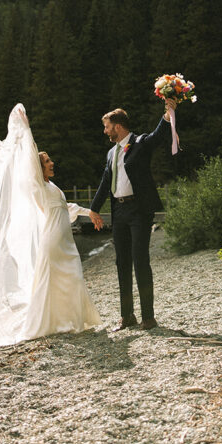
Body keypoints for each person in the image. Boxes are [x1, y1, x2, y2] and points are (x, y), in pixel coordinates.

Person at [0, 103, 101, 346]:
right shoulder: (37, 187)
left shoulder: (52, 188)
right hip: (52, 241)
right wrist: (26, 131)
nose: (52, 163)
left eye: (50, 160)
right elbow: (30, 158)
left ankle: (71, 320)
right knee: (52, 280)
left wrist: (88, 212)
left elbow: (65, 207)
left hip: (64, 241)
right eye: (47, 161)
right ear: (39, 169)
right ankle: (46, 323)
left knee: (71, 277)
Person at [90, 99, 176, 331]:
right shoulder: (110, 153)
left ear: (118, 126)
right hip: (118, 212)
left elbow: (159, 135)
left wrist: (168, 114)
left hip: (139, 210)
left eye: (107, 126)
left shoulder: (140, 142)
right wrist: (94, 209)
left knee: (140, 261)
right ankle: (127, 316)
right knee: (122, 263)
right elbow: (105, 182)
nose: (105, 130)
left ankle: (148, 317)